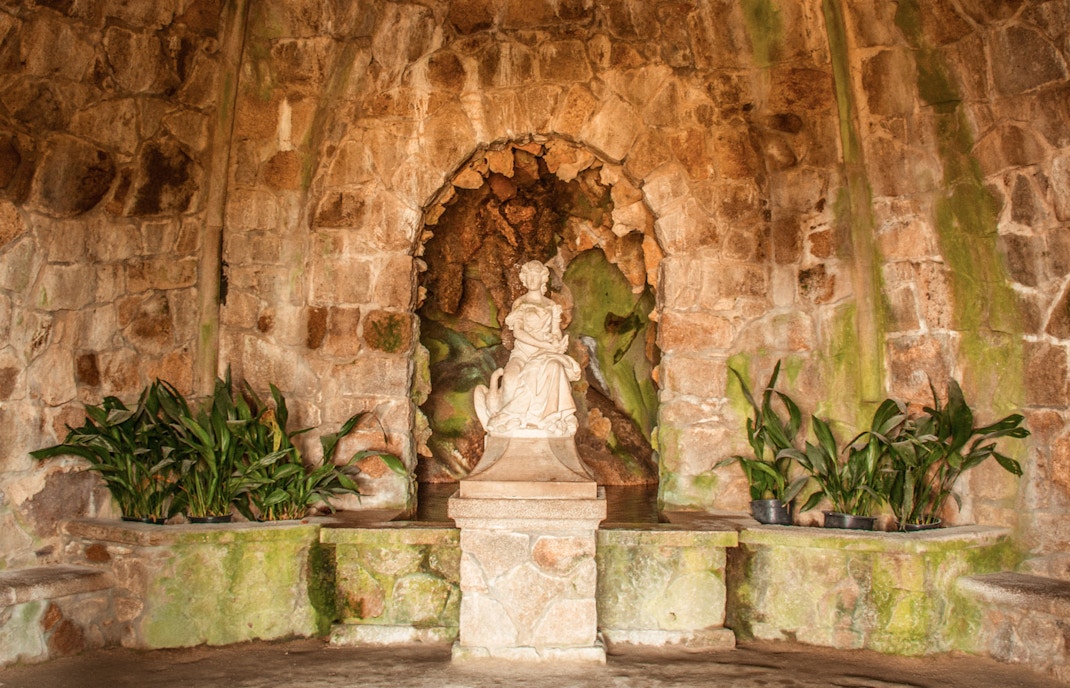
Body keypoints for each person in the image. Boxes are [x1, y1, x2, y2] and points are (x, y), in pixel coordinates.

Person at [474, 261, 582, 437]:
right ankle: (509, 419)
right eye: (529, 275)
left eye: (536, 275)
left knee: (555, 367)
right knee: (510, 378)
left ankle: (550, 418)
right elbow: (518, 332)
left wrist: (557, 344)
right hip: (523, 353)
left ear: (543, 279)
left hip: (545, 353)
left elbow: (556, 333)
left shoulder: (551, 306)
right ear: (524, 279)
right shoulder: (520, 303)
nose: (532, 279)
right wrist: (544, 344)